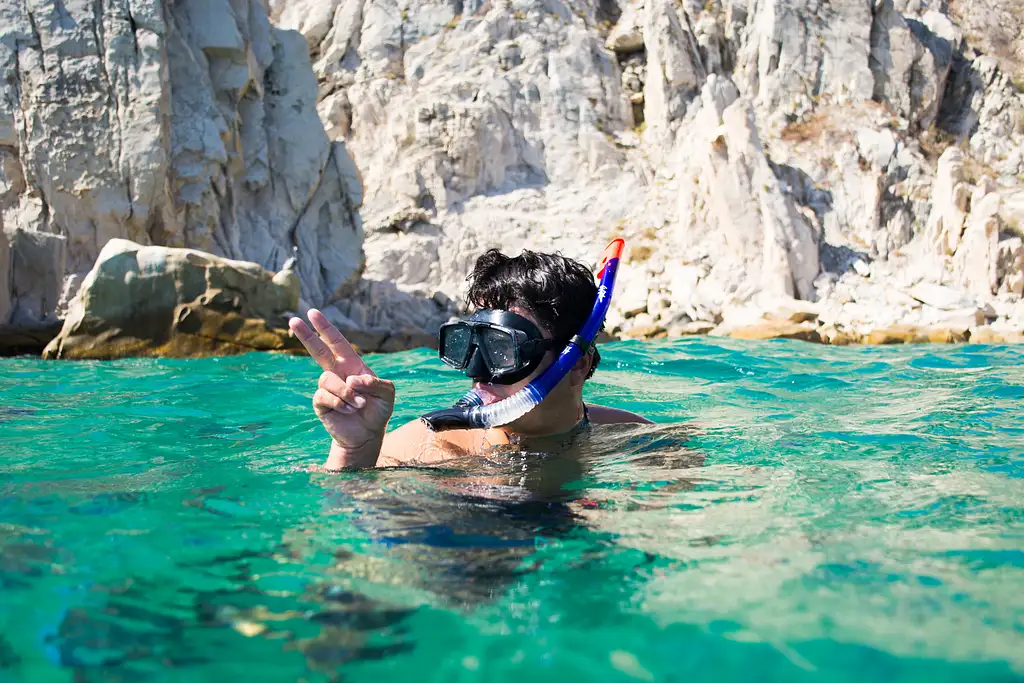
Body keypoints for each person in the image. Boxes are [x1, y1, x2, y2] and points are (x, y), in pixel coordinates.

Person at [289, 248, 651, 470]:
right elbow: (341, 529)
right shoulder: (437, 446)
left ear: (577, 365)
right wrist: (353, 451)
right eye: (468, 345)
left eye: (500, 349)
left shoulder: (636, 442)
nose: (479, 374)